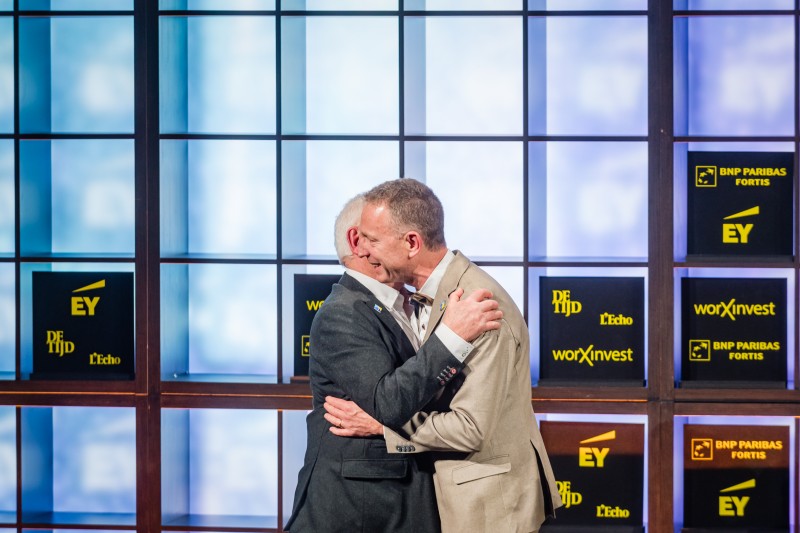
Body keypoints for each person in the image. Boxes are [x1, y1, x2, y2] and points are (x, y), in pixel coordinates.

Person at [323, 178, 562, 533]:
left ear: (412, 243)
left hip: (488, 506)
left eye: (373, 240)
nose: (363, 250)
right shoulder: (427, 295)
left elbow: (470, 429)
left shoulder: (479, 307)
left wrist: (383, 427)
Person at [286, 194, 503, 533]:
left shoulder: (404, 303)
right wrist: (451, 337)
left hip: (401, 500)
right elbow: (388, 403)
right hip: (358, 508)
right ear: (358, 242)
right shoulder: (342, 313)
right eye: (377, 237)